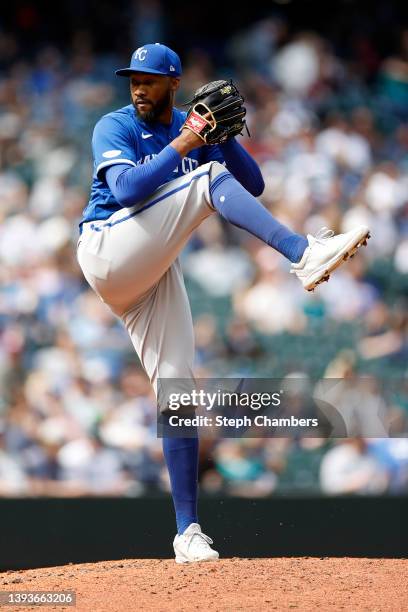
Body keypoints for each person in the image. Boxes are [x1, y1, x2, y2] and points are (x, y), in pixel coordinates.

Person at [77, 43, 370, 563]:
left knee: (178, 395)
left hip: (151, 273)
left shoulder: (191, 127)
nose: (138, 87)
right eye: (133, 79)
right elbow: (124, 191)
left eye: (149, 79)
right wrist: (188, 142)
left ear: (174, 83)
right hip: (107, 248)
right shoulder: (115, 125)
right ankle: (303, 253)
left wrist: (224, 137)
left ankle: (187, 532)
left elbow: (253, 183)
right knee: (205, 180)